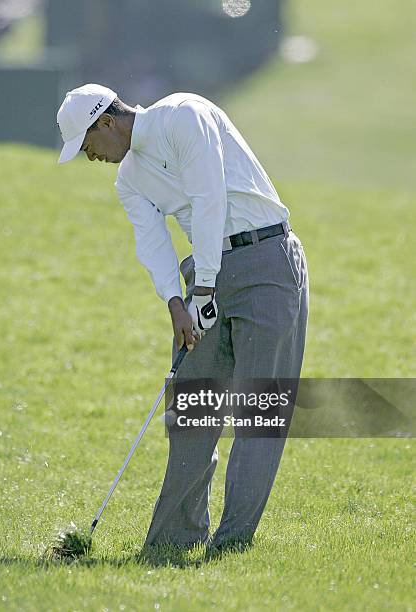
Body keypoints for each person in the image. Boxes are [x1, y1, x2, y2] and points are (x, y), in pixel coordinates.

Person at [57, 83, 309, 552]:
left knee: (259, 414)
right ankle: (170, 544)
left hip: (266, 259)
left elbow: (209, 196)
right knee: (192, 412)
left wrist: (206, 286)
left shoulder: (184, 115)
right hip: (205, 276)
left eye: (88, 145)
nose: (91, 157)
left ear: (107, 122)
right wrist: (176, 302)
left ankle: (230, 544)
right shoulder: (129, 177)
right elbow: (151, 242)